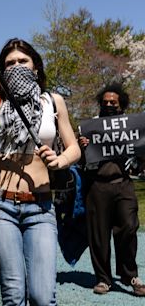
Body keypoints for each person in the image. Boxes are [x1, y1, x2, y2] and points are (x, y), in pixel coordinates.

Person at [0, 15, 81, 305]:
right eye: (9, 63)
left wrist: (59, 161)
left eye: (23, 61)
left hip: (41, 206)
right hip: (0, 205)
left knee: (42, 296)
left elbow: (74, 148)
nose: (16, 66)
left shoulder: (53, 102)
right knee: (13, 295)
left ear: (36, 66)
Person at [79, 82, 145, 296]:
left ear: (121, 105)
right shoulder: (91, 128)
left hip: (123, 184)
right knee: (98, 235)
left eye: (113, 102)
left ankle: (130, 274)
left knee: (128, 227)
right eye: (105, 102)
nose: (108, 105)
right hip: (96, 186)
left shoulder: (133, 128)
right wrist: (82, 146)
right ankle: (103, 279)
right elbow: (77, 158)